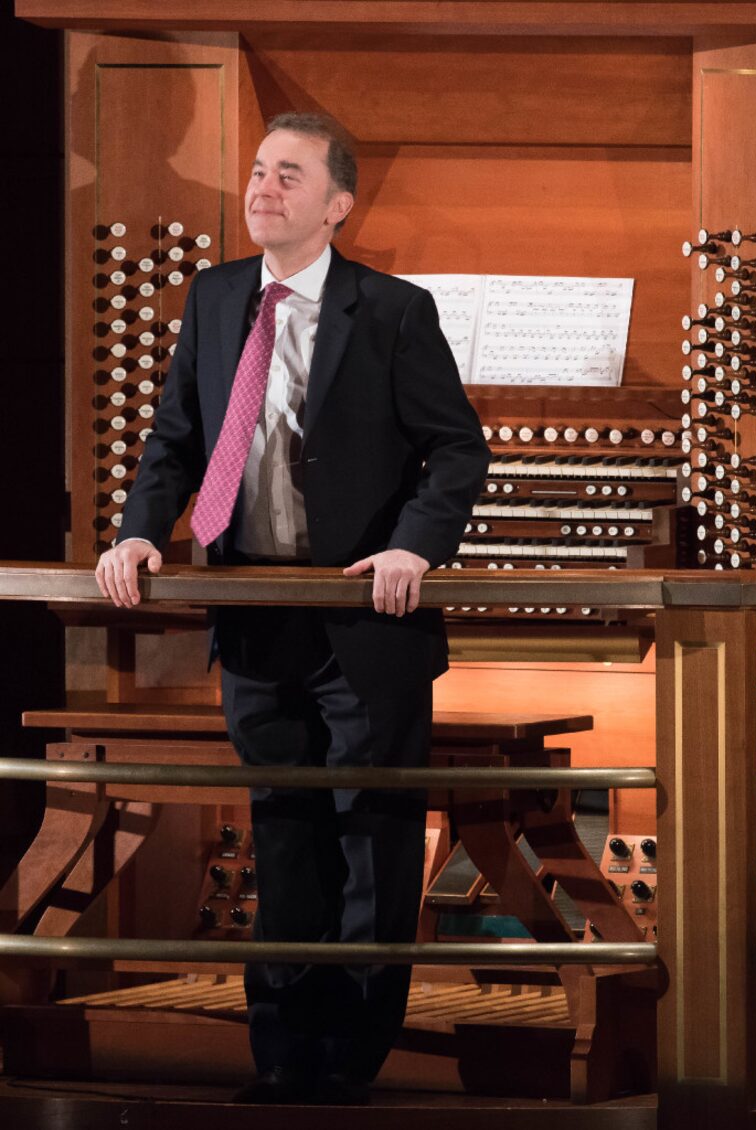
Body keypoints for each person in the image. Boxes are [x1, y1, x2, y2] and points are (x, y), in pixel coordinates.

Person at [95, 112, 490, 1104]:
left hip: (364, 616)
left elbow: (456, 450)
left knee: (370, 837)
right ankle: (279, 1053)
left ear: (337, 204)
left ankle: (349, 1059)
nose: (262, 188)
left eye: (288, 174)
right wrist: (142, 527)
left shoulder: (393, 310)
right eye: (258, 171)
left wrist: (412, 543)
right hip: (258, 609)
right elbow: (175, 436)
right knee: (282, 830)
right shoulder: (218, 293)